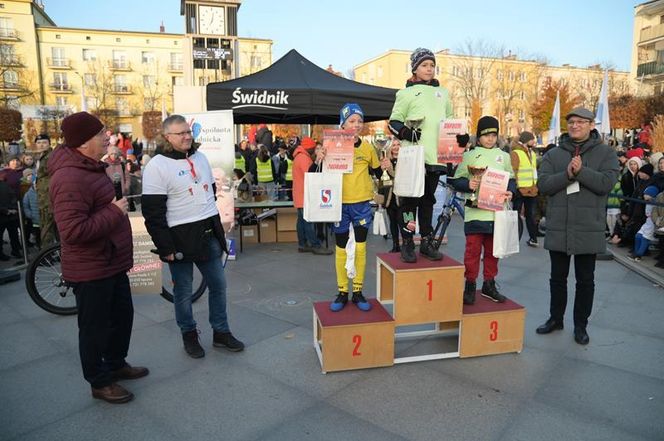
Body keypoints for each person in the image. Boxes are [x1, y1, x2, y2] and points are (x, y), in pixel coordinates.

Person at [49, 111, 147, 404]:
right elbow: (73, 230)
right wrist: (114, 211)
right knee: (94, 328)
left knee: (121, 317)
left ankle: (116, 363)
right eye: (100, 134)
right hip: (91, 269)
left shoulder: (92, 168)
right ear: (82, 143)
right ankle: (99, 381)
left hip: (110, 262)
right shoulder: (69, 177)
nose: (108, 137)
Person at [142, 114, 244, 358]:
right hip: (178, 237)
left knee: (218, 285)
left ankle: (221, 332)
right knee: (184, 291)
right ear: (167, 137)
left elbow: (208, 196)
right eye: (181, 133)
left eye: (188, 131)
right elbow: (152, 213)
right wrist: (165, 246)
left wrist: (219, 232)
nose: (188, 136)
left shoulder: (201, 157)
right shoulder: (157, 166)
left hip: (207, 232)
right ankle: (189, 334)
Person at [536, 107, 619, 345]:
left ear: (592, 125)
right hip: (559, 226)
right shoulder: (553, 154)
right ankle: (555, 318)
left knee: (585, 280)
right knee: (557, 278)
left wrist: (582, 171)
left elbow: (606, 183)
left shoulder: (606, 153)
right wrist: (568, 175)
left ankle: (581, 325)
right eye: (571, 121)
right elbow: (544, 184)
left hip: (588, 227)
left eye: (581, 122)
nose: (575, 125)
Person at [388, 47, 454, 263]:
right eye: (425, 65)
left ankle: (426, 240)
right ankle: (407, 240)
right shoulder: (405, 93)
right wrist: (406, 132)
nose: (429, 69)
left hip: (436, 157)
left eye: (432, 65)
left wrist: (459, 140)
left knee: (427, 201)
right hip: (413, 156)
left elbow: (451, 123)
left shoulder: (443, 93)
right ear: (415, 68)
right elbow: (394, 121)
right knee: (408, 201)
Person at [453, 116, 515, 305]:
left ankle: (489, 284)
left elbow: (511, 178)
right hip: (475, 213)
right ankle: (470, 284)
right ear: (478, 136)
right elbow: (457, 179)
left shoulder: (504, 156)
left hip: (496, 214)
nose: (490, 138)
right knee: (472, 252)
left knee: (492, 252)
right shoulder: (469, 155)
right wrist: (467, 184)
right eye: (486, 135)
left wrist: (510, 192)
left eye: (493, 134)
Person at [326, 103, 381, 312]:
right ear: (343, 123)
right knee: (340, 248)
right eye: (352, 120)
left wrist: (386, 166)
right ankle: (342, 291)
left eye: (360, 121)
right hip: (338, 204)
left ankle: (357, 291)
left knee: (360, 248)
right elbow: (317, 171)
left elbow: (378, 173)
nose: (356, 124)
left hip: (361, 203)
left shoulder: (368, 147)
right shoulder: (331, 144)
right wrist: (320, 157)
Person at [292, 136, 333, 255]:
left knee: (301, 221)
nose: (314, 151)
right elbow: (311, 175)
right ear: (309, 149)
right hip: (304, 194)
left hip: (299, 194)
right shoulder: (304, 158)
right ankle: (315, 245)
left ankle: (302, 244)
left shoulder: (298, 156)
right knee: (308, 221)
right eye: (313, 149)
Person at [510, 131, 539, 247]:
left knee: (530, 215)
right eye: (532, 139)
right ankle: (513, 239)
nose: (534, 141)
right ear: (527, 140)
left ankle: (533, 238)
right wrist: (514, 186)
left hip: (531, 189)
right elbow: (514, 171)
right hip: (519, 189)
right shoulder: (516, 153)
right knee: (515, 215)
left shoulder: (532, 153)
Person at [34, 134, 58, 248]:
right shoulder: (41, 157)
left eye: (44, 142)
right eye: (38, 143)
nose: (41, 144)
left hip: (49, 196)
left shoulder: (51, 156)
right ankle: (51, 251)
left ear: (49, 143)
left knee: (47, 225)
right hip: (43, 196)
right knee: (46, 224)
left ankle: (46, 253)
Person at [629, 185, 659, 261]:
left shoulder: (655, 202)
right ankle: (636, 252)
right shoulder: (647, 201)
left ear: (651, 195)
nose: (644, 195)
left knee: (645, 238)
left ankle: (638, 255)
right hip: (647, 222)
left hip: (652, 223)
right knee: (638, 236)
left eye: (646, 194)